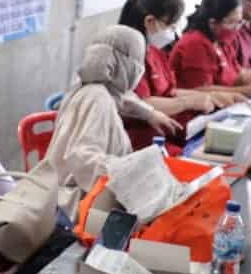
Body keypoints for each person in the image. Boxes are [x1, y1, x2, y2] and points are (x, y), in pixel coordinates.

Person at [46, 25, 176, 211]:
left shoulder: (87, 86)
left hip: (62, 195)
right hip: (75, 206)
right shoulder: (98, 99)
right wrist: (131, 170)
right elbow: (83, 158)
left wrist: (149, 113)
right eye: (138, 62)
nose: (140, 70)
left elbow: (124, 98)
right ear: (125, 65)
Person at [117, 0, 226, 149]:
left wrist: (210, 96)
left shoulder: (155, 51)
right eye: (171, 27)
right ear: (150, 22)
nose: (173, 34)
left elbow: (169, 91)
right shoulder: (127, 58)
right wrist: (187, 102)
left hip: (167, 135)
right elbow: (141, 105)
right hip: (140, 144)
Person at [170, 0, 251, 97]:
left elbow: (238, 74)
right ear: (212, 23)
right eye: (231, 22)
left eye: (239, 22)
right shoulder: (194, 43)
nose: (236, 28)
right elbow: (200, 90)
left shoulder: (222, 40)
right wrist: (248, 90)